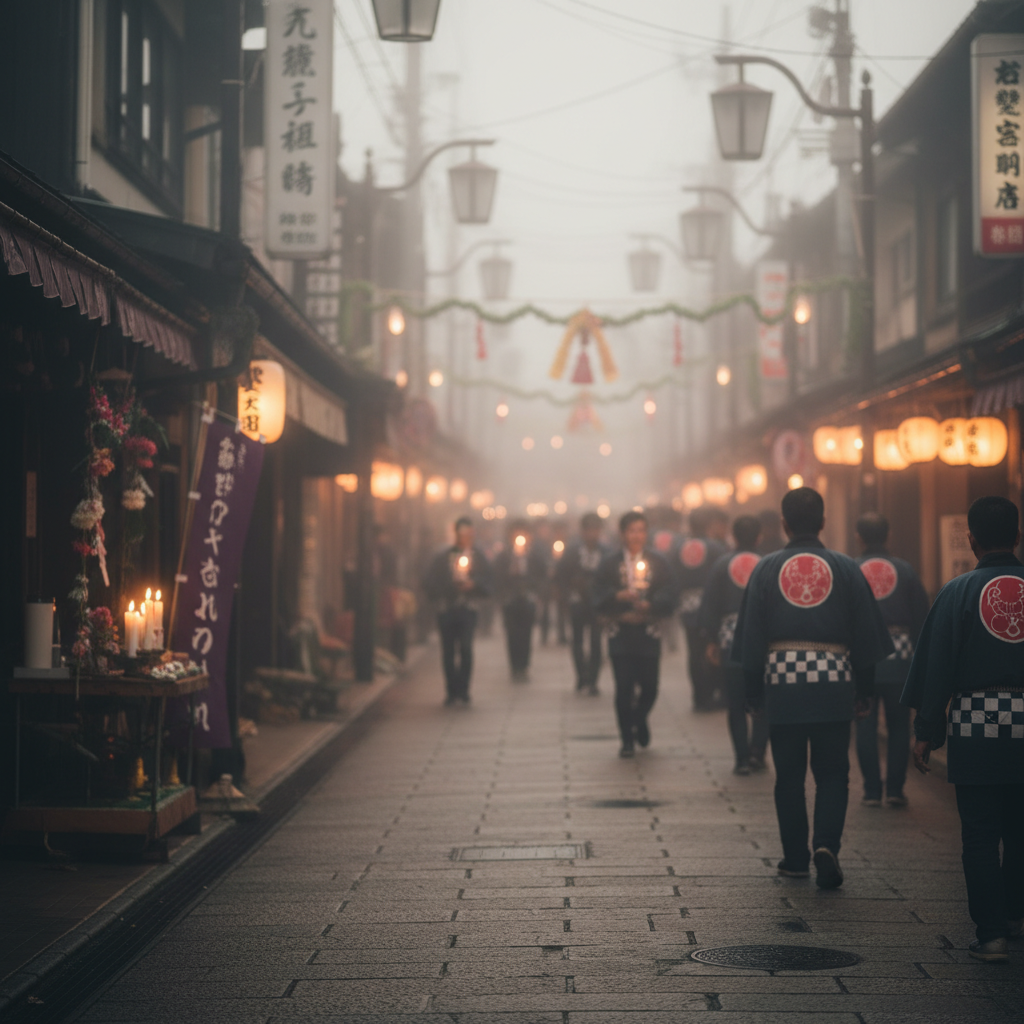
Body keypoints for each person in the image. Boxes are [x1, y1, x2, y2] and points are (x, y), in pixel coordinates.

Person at [733, 488, 892, 889]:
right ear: (822, 522)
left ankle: (795, 857)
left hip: (782, 684)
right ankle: (826, 845)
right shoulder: (845, 567)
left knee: (788, 775)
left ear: (784, 524)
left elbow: (751, 637)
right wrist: (865, 691)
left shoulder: (766, 568)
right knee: (834, 772)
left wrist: (752, 691)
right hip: (834, 681)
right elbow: (867, 636)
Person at [902, 495, 1024, 963]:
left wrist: (926, 730)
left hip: (976, 723)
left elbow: (937, 670)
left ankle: (990, 933)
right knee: (1020, 829)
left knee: (978, 833)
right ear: (1017, 535)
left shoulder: (957, 592)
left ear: (971, 539)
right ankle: (1015, 914)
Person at [854, 512, 930, 808]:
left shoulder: (851, 569)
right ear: (888, 535)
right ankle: (896, 790)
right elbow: (923, 618)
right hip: (900, 657)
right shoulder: (905, 570)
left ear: (859, 537)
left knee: (864, 724)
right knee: (899, 727)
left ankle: (872, 791)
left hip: (863, 658)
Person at [593, 510, 677, 758]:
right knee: (624, 686)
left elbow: (670, 591)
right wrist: (617, 596)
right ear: (622, 534)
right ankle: (626, 739)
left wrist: (651, 604)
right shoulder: (609, 563)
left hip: (648, 632)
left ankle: (638, 719)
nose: (637, 535)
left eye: (641, 530)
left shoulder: (658, 561)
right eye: (631, 530)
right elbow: (597, 593)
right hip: (620, 631)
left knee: (650, 686)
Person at [699, 515, 770, 775]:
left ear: (733, 536)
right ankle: (758, 752)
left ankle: (741, 758)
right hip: (764, 642)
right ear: (759, 537)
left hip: (731, 641)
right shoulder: (769, 564)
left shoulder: (721, 565)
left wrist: (710, 639)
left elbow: (710, 605)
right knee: (763, 701)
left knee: (736, 702)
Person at [423, 517, 493, 706]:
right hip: (447, 609)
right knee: (447, 651)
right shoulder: (443, 556)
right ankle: (451, 690)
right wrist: (449, 586)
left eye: (468, 533)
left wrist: (473, 584)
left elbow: (489, 582)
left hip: (468, 610)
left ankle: (463, 689)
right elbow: (429, 583)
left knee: (466, 648)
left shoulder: (478, 557)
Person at [679, 507, 730, 710]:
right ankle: (712, 693)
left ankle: (698, 696)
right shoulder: (716, 548)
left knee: (693, 652)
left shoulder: (678, 547)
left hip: (688, 607)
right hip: (711, 607)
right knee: (712, 649)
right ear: (710, 524)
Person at [555, 512, 607, 694]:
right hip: (577, 601)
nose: (592, 534)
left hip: (597, 603)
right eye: (589, 530)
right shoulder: (572, 551)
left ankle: (593, 679)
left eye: (596, 530)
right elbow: (561, 576)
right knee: (576, 641)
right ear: (583, 532)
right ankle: (581, 676)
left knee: (595, 641)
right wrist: (565, 595)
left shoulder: (606, 552)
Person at [493, 520, 548, 680]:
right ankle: (514, 665)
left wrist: (536, 591)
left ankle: (524, 664)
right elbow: (497, 577)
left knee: (526, 633)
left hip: (528, 599)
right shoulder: (504, 556)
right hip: (510, 599)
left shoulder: (535, 556)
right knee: (511, 633)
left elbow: (542, 577)